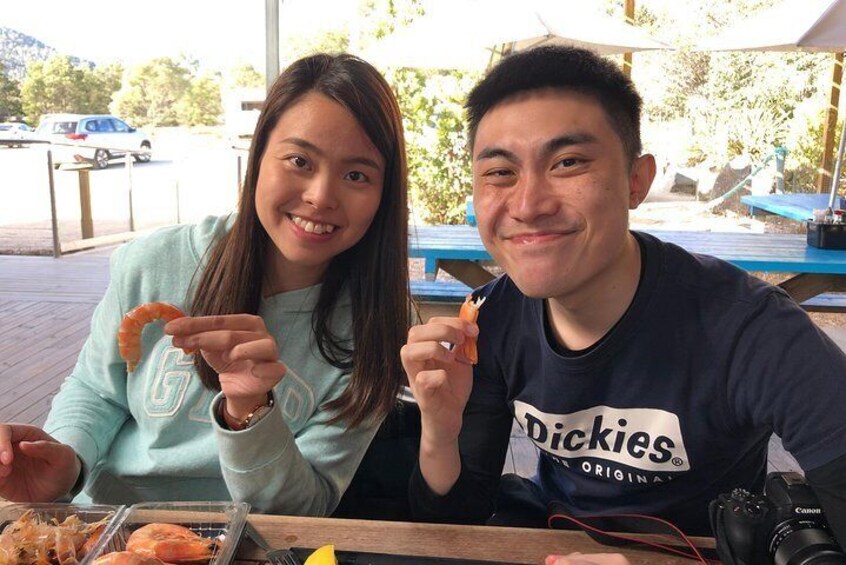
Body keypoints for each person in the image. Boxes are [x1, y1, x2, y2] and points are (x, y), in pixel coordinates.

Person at [402, 44, 846, 550]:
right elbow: (456, 518)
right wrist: (439, 428)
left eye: (568, 163)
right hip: (555, 540)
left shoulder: (750, 330)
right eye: (500, 172)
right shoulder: (490, 321)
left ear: (637, 181)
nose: (527, 205)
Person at [0, 52, 410, 516]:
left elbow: (306, 506)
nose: (320, 196)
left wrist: (249, 413)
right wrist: (66, 461)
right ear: (258, 159)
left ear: (384, 193)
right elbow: (97, 391)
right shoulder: (154, 262)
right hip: (109, 526)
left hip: (255, 543)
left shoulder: (378, 328)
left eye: (356, 175)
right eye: (299, 160)